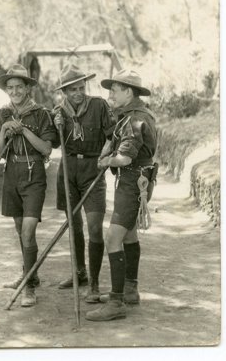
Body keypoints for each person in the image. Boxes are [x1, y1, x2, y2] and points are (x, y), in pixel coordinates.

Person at [86, 69, 158, 322]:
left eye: (114, 90)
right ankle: (130, 290)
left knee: (112, 238)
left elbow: (125, 157)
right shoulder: (133, 115)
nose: (110, 95)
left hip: (132, 181)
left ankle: (116, 302)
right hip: (134, 180)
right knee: (128, 234)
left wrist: (106, 160)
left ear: (129, 91)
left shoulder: (135, 119)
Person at [0, 64, 58, 307]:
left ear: (28, 88)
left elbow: (46, 149)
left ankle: (29, 288)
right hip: (12, 171)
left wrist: (23, 131)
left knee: (29, 231)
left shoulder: (41, 113)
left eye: (19, 86)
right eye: (10, 87)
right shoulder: (4, 113)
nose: (14, 91)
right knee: (20, 228)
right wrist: (4, 130)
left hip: (34, 173)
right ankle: (30, 274)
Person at [52, 64, 115, 303]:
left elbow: (112, 136)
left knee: (95, 226)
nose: (78, 93)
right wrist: (56, 124)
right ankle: (80, 273)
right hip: (68, 171)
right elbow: (55, 144)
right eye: (72, 90)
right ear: (64, 92)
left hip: (93, 170)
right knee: (74, 225)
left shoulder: (99, 105)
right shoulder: (58, 111)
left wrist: (105, 158)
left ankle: (96, 285)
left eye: (81, 88)